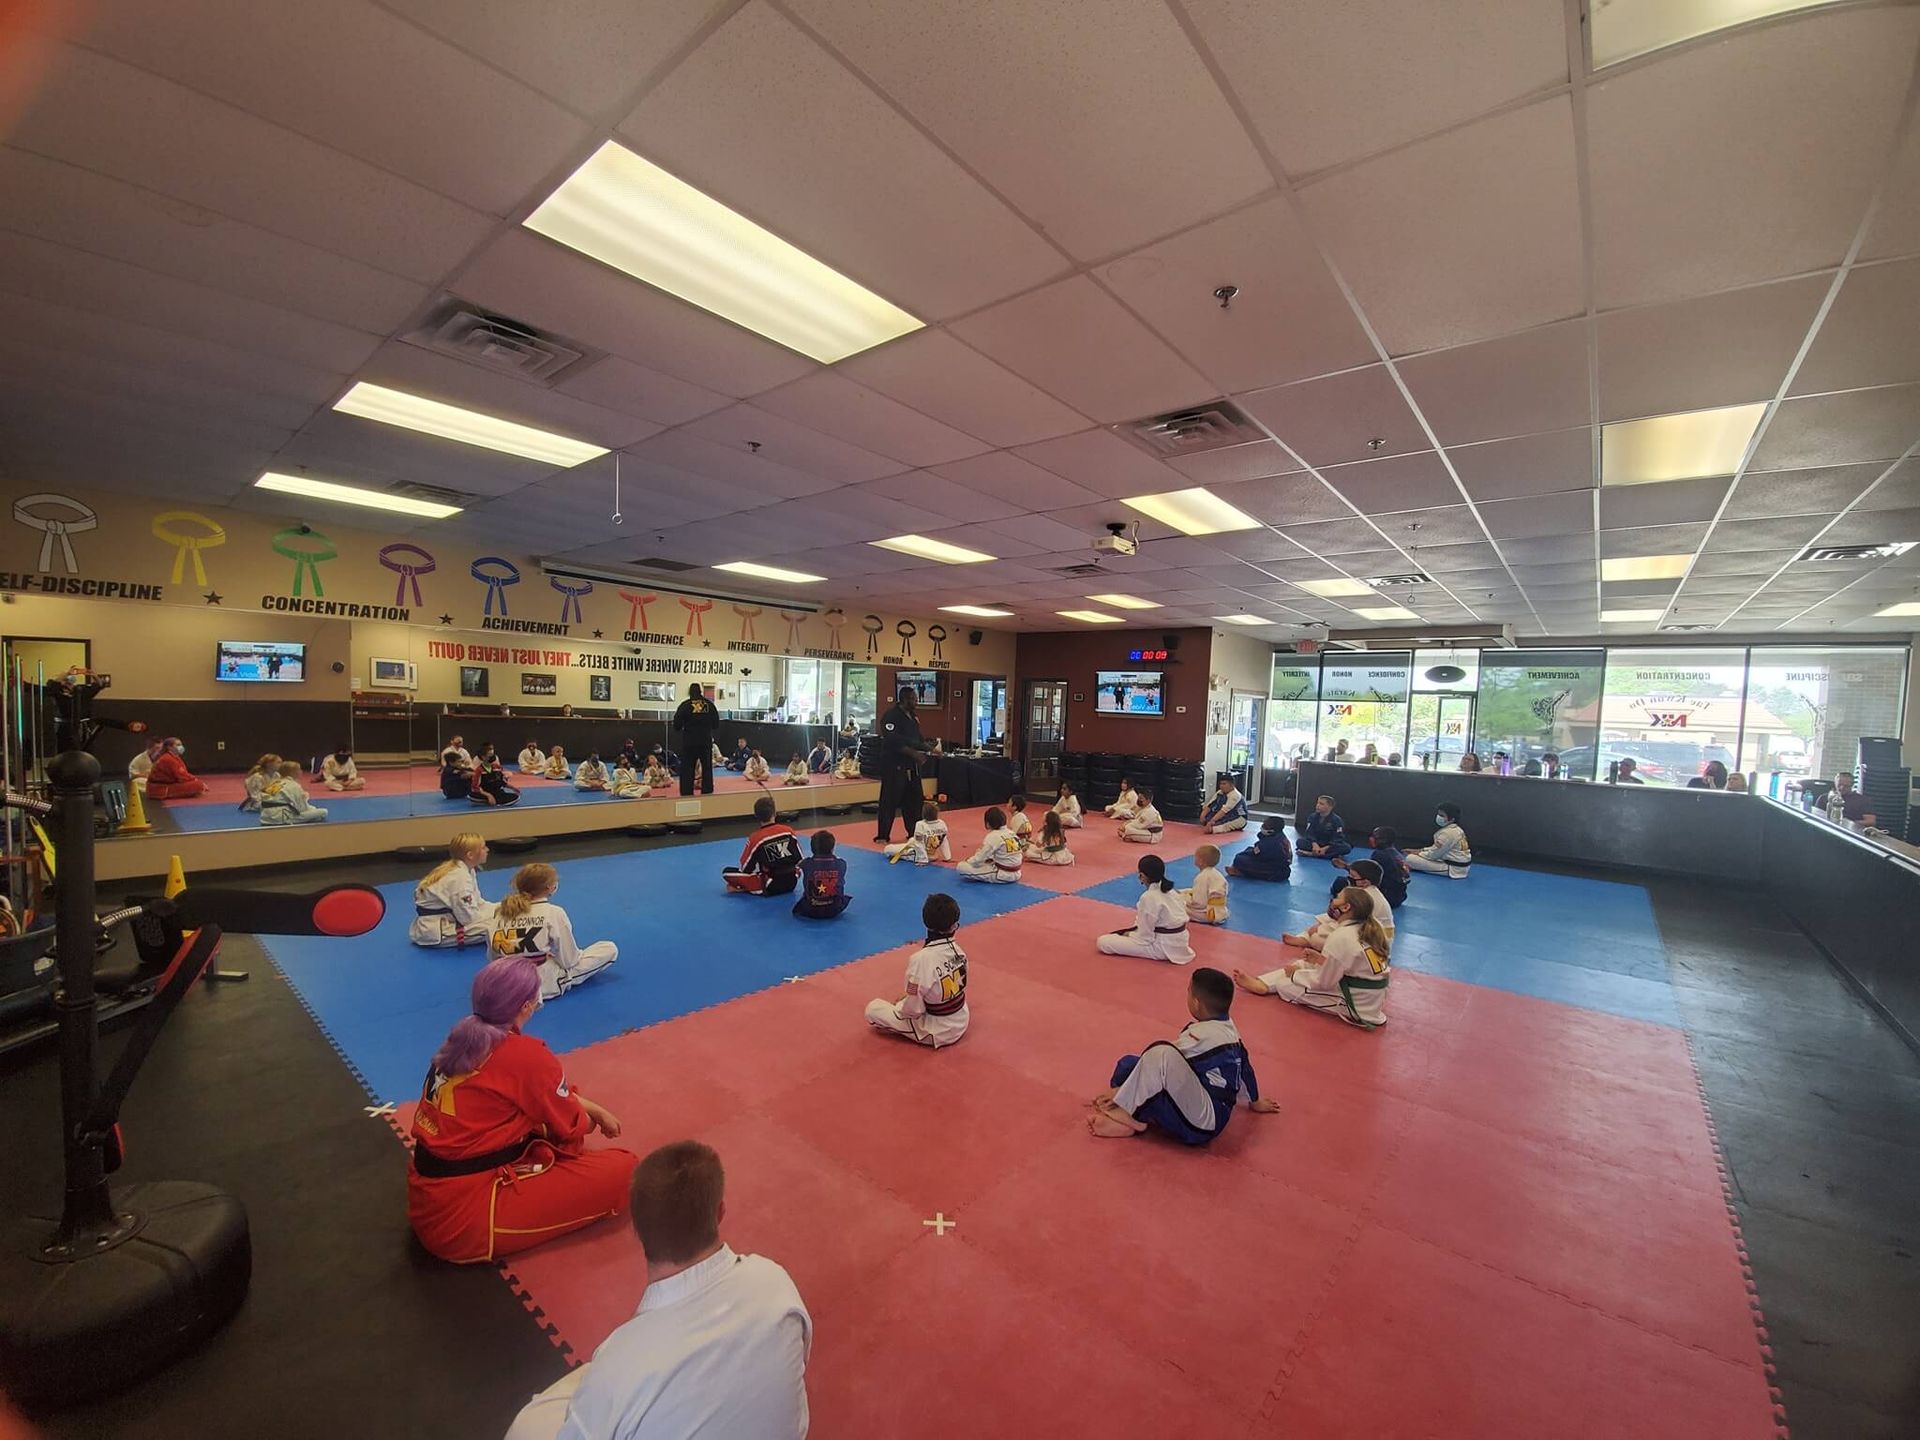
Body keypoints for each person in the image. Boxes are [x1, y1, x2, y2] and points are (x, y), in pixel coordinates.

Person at [502, 1141, 810, 1440]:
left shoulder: (621, 1360)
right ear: (720, 1213)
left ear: (637, 1231)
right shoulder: (773, 1280)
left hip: (619, 1380)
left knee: (528, 1424)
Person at [409, 957, 637, 1266]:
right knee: (626, 1169)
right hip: (464, 1218)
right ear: (528, 1006)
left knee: (541, 1118)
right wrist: (589, 1116)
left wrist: (591, 1108)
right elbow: (574, 1124)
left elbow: (535, 1094)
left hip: (428, 1192)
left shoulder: (462, 1038)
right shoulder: (526, 1055)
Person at [1088, 967, 1279, 1141]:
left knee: (1160, 1054)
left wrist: (1121, 1092)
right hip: (1198, 1102)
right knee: (1128, 1064)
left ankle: (1128, 1118)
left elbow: (1160, 1062)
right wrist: (1255, 1101)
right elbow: (1245, 1068)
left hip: (1201, 1123)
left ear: (1196, 1003)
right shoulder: (1229, 1030)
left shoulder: (1205, 1037)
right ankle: (1128, 1103)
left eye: (1188, 991)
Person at [1234, 887, 1391, 1030]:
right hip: (1370, 998)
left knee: (1285, 986)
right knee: (1306, 963)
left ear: (1345, 907)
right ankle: (1264, 984)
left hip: (1355, 1004)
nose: (1333, 900)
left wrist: (1295, 975)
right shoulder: (1371, 928)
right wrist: (1319, 960)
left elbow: (1323, 983)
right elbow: (1351, 966)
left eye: (1338, 897)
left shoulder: (1341, 936)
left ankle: (1270, 985)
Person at [488, 864, 617, 999]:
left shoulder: (501, 912)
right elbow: (569, 961)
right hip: (540, 984)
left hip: (505, 982)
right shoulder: (554, 912)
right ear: (550, 887)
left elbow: (493, 958)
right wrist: (550, 956)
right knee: (608, 948)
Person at [864, 892, 968, 1047]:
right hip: (961, 1019)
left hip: (937, 1030)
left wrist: (902, 1007)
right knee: (916, 997)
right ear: (954, 926)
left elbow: (913, 1010)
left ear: (925, 922)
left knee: (873, 1009)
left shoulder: (921, 960)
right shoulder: (959, 952)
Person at [1096, 854, 1193, 964]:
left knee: (1103, 942)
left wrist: (1130, 935)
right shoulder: (1172, 891)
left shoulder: (1148, 897)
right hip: (1180, 941)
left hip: (1161, 946)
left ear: (1141, 876)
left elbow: (1145, 938)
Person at [410, 833, 495, 948]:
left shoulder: (467, 870)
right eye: (483, 847)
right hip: (437, 931)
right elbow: (468, 918)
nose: (487, 850)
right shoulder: (459, 878)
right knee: (497, 926)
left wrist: (502, 908)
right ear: (470, 855)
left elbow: (479, 904)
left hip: (446, 921)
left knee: (504, 914)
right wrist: (497, 917)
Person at [874, 685, 928, 845]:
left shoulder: (913, 717)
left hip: (912, 766)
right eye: (914, 699)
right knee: (889, 800)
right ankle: (883, 835)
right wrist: (914, 753)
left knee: (914, 800)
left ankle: (914, 832)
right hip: (894, 764)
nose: (916, 701)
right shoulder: (891, 716)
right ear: (905, 699)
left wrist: (929, 748)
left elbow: (917, 738)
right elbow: (892, 740)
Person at [723, 796, 802, 896]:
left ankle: (743, 888)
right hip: (792, 882)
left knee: (727, 872)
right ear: (774, 813)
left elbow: (746, 868)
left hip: (770, 885)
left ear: (756, 816)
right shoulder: (789, 831)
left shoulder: (755, 838)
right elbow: (800, 860)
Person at [1334, 826, 1408, 908]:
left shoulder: (1380, 854)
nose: (1370, 839)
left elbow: (1367, 875)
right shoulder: (1396, 854)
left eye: (1373, 837)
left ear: (1382, 840)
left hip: (1386, 897)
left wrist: (1345, 866)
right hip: (1400, 896)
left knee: (1341, 882)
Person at [672, 683, 721, 796]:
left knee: (687, 769)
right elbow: (716, 725)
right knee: (707, 768)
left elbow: (677, 726)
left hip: (690, 742)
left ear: (690, 692)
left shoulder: (685, 706)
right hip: (705, 741)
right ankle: (707, 791)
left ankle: (687, 792)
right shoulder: (709, 705)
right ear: (700, 691)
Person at [1326, 858, 1395, 938]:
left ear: (1365, 882)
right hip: (1370, 929)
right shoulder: (1364, 890)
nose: (1349, 878)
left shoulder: (1366, 897)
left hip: (1376, 937)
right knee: (1324, 924)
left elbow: (1354, 921)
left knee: (1320, 936)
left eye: (1353, 876)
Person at [957, 806, 1024, 883]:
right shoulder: (1012, 833)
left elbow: (979, 859)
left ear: (988, 823)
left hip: (1002, 874)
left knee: (961, 867)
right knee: (985, 855)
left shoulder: (993, 836)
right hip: (1017, 873)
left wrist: (968, 861)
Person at [1406, 801, 1472, 879]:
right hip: (1460, 866)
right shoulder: (1457, 830)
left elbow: (1433, 855)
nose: (1438, 817)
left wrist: (1419, 854)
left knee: (1410, 859)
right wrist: (1421, 850)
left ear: (1451, 819)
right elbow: (1436, 849)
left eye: (1442, 815)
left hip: (1453, 868)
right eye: (1438, 814)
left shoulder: (1447, 833)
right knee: (1416, 856)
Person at [793, 831, 850, 920]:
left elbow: (797, 866)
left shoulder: (806, 863)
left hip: (811, 909)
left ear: (812, 849)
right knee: (843, 898)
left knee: (801, 904)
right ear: (832, 848)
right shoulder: (841, 863)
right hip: (834, 908)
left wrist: (798, 870)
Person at [258, 760, 327, 825]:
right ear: (294, 772)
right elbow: (301, 809)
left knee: (312, 809)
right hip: (281, 817)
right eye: (299, 769)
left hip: (265, 817)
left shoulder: (274, 782)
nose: (301, 771)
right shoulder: (293, 785)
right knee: (323, 812)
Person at [884, 800, 952, 865]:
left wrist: (922, 860)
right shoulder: (941, 823)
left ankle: (909, 854)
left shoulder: (920, 824)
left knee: (888, 849)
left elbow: (919, 844)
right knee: (912, 839)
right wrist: (947, 857)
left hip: (916, 854)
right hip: (933, 855)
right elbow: (944, 841)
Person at [1227, 815, 1292, 882]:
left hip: (1275, 872)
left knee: (1239, 859)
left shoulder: (1270, 843)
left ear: (1272, 830)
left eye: (1265, 825)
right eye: (1264, 823)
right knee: (1249, 849)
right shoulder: (1280, 836)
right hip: (1283, 868)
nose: (1262, 826)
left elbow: (1257, 856)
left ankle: (1241, 872)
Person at [1183, 843, 1229, 926]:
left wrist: (1186, 900)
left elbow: (1198, 903)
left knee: (1178, 906)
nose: (1194, 858)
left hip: (1209, 914)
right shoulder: (1217, 874)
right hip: (1221, 911)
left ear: (1201, 861)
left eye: (1196, 857)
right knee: (1185, 892)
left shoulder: (1202, 877)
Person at [1296, 793, 1350, 858]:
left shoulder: (1337, 820)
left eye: (1321, 804)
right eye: (1317, 803)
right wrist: (1314, 844)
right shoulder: (1312, 817)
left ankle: (1311, 854)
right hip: (1315, 843)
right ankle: (1327, 855)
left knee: (1346, 848)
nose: (1318, 805)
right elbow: (1309, 833)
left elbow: (1338, 837)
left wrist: (1326, 848)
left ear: (1330, 807)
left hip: (1328, 845)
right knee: (1300, 842)